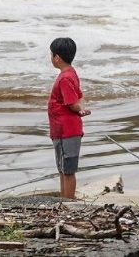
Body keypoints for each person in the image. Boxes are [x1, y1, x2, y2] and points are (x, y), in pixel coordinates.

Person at [47, 37, 91, 199]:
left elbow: (72, 103)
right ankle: (64, 199)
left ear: (57, 57)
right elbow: (80, 97)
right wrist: (82, 108)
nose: (51, 58)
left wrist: (79, 109)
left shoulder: (65, 78)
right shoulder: (70, 73)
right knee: (63, 169)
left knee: (68, 170)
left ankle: (68, 202)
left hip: (67, 131)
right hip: (61, 130)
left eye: (51, 55)